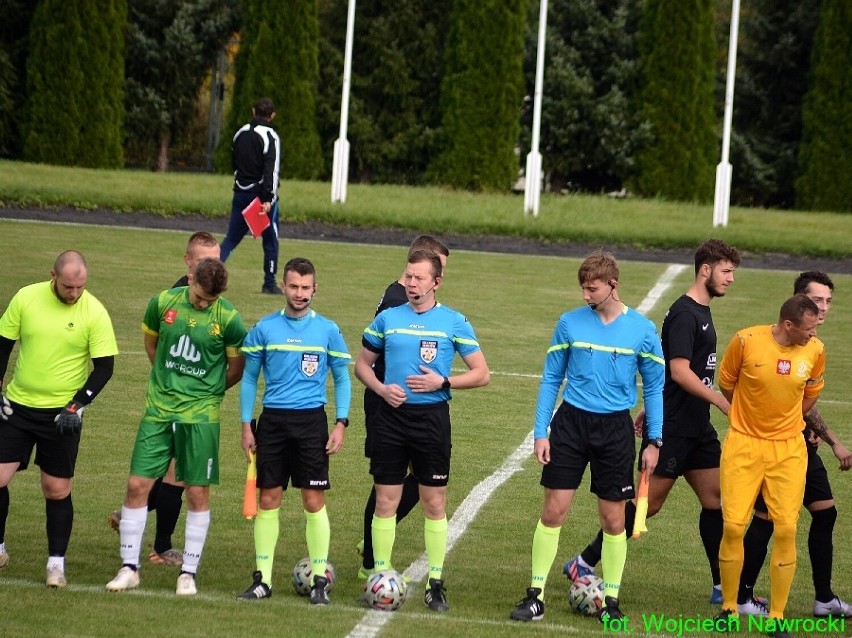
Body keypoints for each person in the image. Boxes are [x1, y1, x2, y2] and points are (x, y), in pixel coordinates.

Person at [561, 239, 741, 605]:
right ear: (705, 270)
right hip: (675, 428)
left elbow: (673, 376)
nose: (731, 279)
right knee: (649, 506)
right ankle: (583, 562)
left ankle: (723, 586)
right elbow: (676, 371)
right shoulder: (685, 314)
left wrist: (651, 406)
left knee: (715, 499)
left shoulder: (702, 312)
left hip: (697, 426)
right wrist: (722, 401)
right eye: (726, 271)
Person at [510, 250, 664, 623]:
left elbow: (656, 388)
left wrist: (654, 441)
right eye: (582, 288)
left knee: (614, 521)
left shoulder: (642, 330)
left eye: (591, 289)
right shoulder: (569, 324)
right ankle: (536, 596)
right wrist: (540, 431)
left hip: (615, 429)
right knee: (553, 510)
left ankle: (611, 603)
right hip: (571, 425)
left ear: (613, 285)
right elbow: (550, 379)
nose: (585, 295)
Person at [354, 249, 490, 613]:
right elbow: (362, 365)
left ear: (436, 282)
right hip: (390, 418)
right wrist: (382, 388)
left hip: (431, 421)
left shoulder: (454, 322)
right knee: (386, 501)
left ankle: (435, 582)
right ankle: (378, 577)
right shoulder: (387, 319)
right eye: (409, 277)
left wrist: (443, 381)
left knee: (434, 503)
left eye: (420, 278)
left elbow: (482, 373)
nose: (412, 284)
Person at [106, 257, 246, 596]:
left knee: (197, 492)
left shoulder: (228, 318)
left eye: (209, 301)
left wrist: (207, 394)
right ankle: (129, 568)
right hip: (159, 410)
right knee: (137, 484)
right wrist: (166, 382)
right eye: (199, 296)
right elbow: (152, 344)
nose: (202, 303)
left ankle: (188, 573)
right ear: (189, 278)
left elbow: (235, 368)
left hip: (200, 417)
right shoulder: (162, 302)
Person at [235, 257, 352, 605]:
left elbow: (342, 377)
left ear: (315, 289)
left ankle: (319, 581)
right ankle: (263, 581)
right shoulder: (264, 328)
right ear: (283, 287)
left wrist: (341, 423)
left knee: (313, 501)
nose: (299, 293)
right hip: (272, 423)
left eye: (306, 287)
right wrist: (246, 425)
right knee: (268, 499)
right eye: (293, 286)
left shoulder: (328, 330)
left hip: (311, 423)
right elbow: (249, 378)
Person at [737, 271, 852, 618]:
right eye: (818, 301)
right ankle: (740, 597)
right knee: (766, 518)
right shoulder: (774, 342)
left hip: (800, 444)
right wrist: (835, 441)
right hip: (772, 446)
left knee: (825, 511)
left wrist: (818, 433)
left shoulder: (813, 345)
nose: (824, 308)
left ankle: (824, 598)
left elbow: (804, 399)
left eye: (829, 302)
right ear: (799, 301)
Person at [0, 250, 118, 587]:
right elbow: (2, 345)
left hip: (60, 415)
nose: (75, 293)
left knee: (56, 489)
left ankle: (56, 564)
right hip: (17, 408)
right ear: (53, 275)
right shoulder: (26, 297)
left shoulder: (94, 311)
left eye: (80, 287)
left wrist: (77, 405)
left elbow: (105, 368)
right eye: (69, 287)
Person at [108, 231, 222, 566]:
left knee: (176, 474)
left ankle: (154, 539)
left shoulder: (210, 295)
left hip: (195, 403)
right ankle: (158, 545)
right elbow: (157, 349)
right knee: (177, 475)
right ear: (188, 262)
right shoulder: (177, 299)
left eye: (215, 260)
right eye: (204, 261)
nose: (210, 267)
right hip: (175, 403)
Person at [714, 295, 825, 629]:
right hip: (743, 446)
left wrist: (786, 421)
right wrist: (750, 418)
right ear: (788, 325)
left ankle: (777, 616)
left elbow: (811, 392)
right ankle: (729, 609)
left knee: (787, 528)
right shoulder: (746, 341)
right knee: (733, 526)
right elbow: (726, 382)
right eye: (809, 327)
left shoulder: (815, 350)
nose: (814, 332)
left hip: (788, 450)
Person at [357, 234, 450, 580]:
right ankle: (370, 556)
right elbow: (372, 356)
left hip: (410, 404)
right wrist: (385, 389)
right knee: (388, 483)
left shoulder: (406, 296)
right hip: (389, 403)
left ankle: (373, 543)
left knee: (405, 481)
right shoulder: (397, 302)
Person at [219, 97, 282, 295]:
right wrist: (268, 199)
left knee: (231, 239)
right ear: (273, 115)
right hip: (259, 198)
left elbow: (234, 162)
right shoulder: (271, 136)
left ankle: (207, 275)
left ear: (253, 111)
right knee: (270, 239)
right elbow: (271, 171)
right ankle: (269, 283)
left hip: (240, 193)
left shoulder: (240, 133)